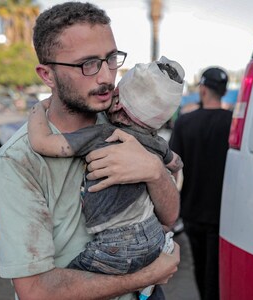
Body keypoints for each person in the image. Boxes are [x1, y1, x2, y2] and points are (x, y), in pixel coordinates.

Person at [0, 2, 180, 300]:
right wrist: (148, 275)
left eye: (111, 59)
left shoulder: (124, 120)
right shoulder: (18, 162)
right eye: (87, 64)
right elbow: (35, 290)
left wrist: (154, 172)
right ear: (47, 75)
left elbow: (170, 215)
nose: (106, 76)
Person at [26, 57, 184, 282]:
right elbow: (176, 164)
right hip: (153, 234)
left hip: (117, 243)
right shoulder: (157, 142)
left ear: (117, 102)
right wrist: (165, 169)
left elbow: (42, 143)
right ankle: (145, 283)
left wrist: (38, 110)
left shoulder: (101, 135)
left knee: (66, 282)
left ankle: (141, 282)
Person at [169, 67, 232, 300]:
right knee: (217, 272)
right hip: (224, 213)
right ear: (223, 92)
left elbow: (172, 170)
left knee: (200, 266)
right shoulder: (233, 123)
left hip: (193, 210)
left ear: (203, 90)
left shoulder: (185, 122)